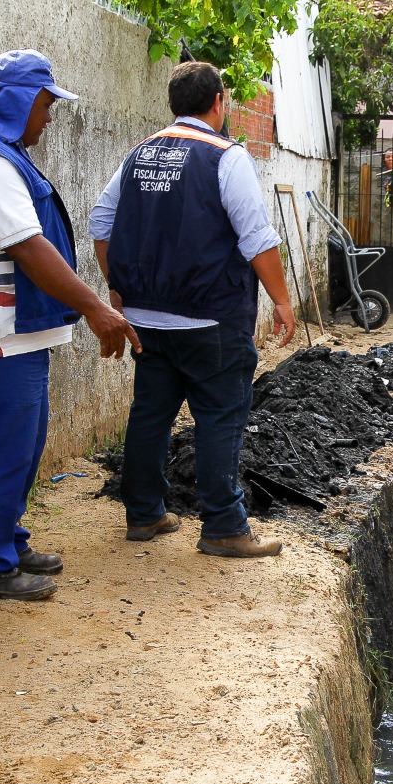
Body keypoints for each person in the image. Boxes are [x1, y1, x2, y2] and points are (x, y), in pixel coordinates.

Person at [0, 49, 141, 601]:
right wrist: (95, 307)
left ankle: (6, 541)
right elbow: (27, 246)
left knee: (20, 443)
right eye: (46, 105)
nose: (49, 117)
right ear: (20, 101)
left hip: (12, 332)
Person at [89, 61, 295, 558]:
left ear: (174, 104)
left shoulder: (139, 155)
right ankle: (224, 526)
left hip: (148, 319)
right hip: (212, 319)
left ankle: (144, 513)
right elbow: (257, 238)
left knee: (150, 415)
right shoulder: (226, 156)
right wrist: (283, 300)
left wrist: (118, 286)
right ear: (219, 102)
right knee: (220, 417)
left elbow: (101, 220)